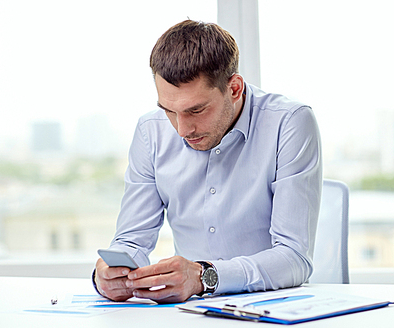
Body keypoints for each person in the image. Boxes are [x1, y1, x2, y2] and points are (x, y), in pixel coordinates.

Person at [93, 19, 322, 304]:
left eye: (196, 110)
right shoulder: (150, 131)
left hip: (273, 308)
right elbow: (131, 241)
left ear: (235, 88)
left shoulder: (289, 123)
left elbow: (294, 257)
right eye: (169, 110)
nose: (182, 129)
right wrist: (108, 275)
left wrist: (203, 277)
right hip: (189, 313)